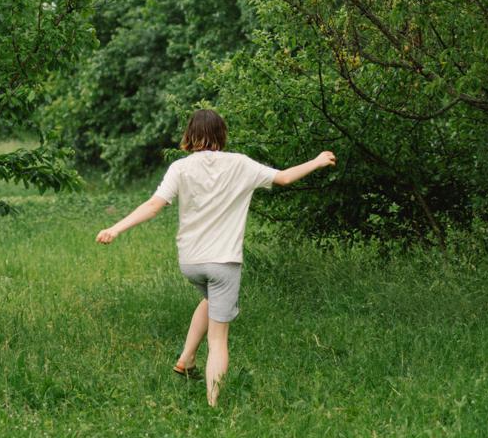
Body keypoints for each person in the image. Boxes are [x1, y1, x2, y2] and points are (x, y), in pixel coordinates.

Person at [96, 109, 336, 406]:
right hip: (223, 263)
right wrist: (317, 161)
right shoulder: (240, 164)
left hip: (191, 262)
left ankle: (186, 359)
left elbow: (155, 205)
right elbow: (284, 178)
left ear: (190, 135)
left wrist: (115, 228)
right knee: (219, 339)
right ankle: (213, 406)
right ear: (222, 134)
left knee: (211, 300)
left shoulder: (181, 168)